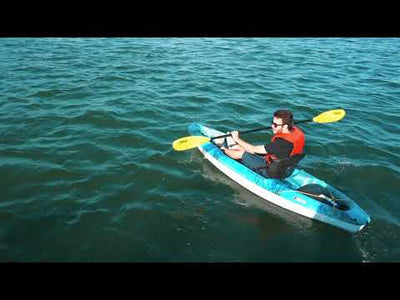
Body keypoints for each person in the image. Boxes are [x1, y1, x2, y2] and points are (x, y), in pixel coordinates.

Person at [220, 109, 305, 178]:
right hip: (287, 170)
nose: (272, 126)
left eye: (275, 125)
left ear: (285, 126)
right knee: (247, 149)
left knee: (242, 153)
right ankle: (234, 147)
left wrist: (236, 138)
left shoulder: (280, 143)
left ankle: (222, 150)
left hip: (271, 172)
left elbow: (253, 149)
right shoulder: (296, 132)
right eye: (272, 123)